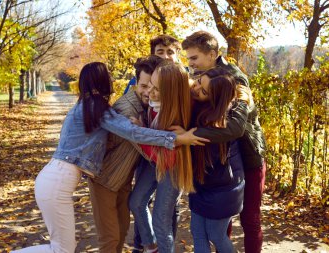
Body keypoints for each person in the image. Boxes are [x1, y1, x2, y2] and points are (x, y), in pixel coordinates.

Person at [11, 62, 204, 253]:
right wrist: (177, 138)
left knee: (66, 247)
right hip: (58, 181)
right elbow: (133, 133)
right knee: (65, 248)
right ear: (103, 81)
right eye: (109, 76)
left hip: (56, 178)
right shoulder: (98, 108)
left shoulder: (90, 106)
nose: (112, 79)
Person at [182, 31, 267, 253]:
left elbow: (235, 128)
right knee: (220, 224)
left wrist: (191, 135)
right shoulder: (202, 79)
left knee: (249, 218)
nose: (190, 64)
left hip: (248, 157)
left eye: (194, 58)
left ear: (211, 54)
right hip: (224, 162)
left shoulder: (234, 79)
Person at [87, 56, 165, 253]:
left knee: (121, 233)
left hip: (122, 181)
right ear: (135, 82)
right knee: (110, 239)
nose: (148, 92)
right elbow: (147, 149)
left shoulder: (148, 106)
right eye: (143, 85)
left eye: (153, 86)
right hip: (104, 180)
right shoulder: (127, 109)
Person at [129, 61, 195, 253]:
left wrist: (141, 135)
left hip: (170, 167)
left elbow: (163, 154)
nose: (151, 92)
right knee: (136, 202)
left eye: (158, 89)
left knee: (161, 221)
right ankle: (150, 246)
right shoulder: (154, 105)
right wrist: (145, 130)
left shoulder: (175, 117)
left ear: (172, 92)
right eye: (151, 85)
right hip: (154, 162)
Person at [188, 68, 245, 253]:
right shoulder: (201, 108)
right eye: (198, 82)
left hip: (222, 190)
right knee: (197, 231)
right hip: (203, 186)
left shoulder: (217, 121)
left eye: (203, 91)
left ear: (215, 99)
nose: (196, 88)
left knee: (215, 235)